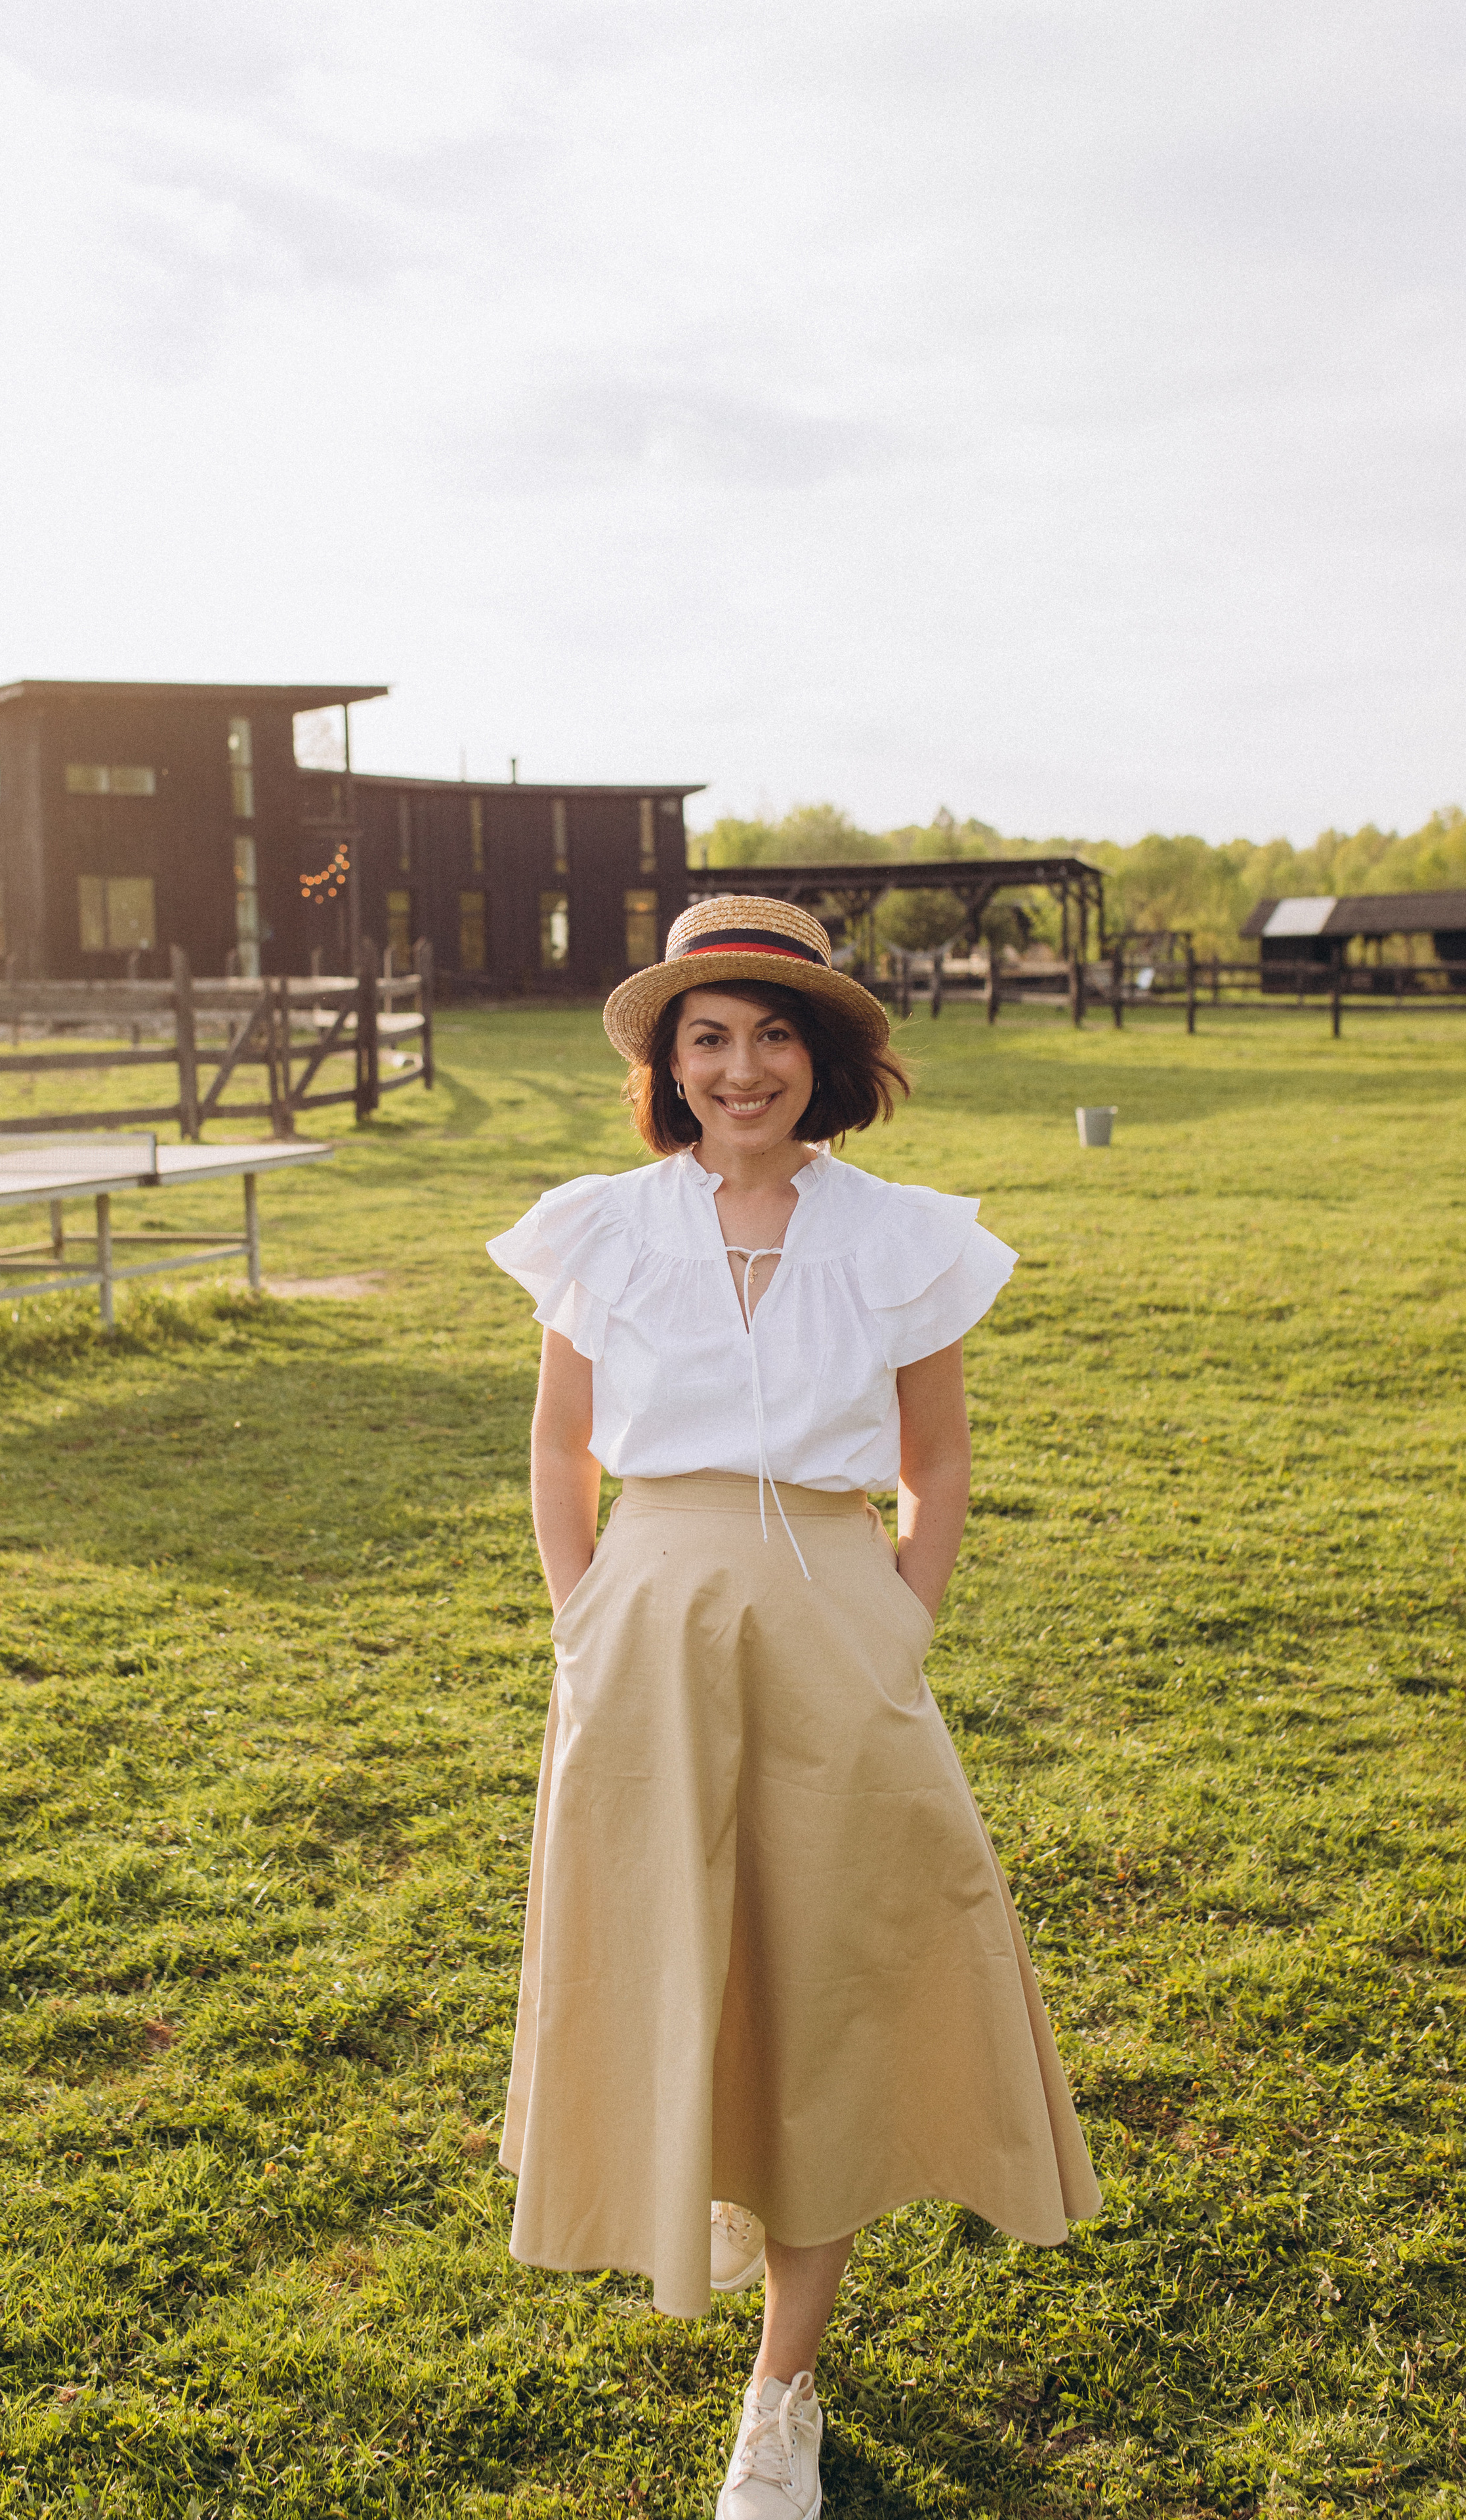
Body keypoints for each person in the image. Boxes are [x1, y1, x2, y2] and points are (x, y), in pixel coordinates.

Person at [487, 896, 1100, 2518]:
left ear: (819, 1057)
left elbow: (938, 1461)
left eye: (772, 1034)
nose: (740, 1066)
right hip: (646, 1621)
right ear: (667, 1063)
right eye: (708, 1035)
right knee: (681, 1959)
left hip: (839, 1614)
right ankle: (716, 2243)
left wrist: (897, 1624)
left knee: (832, 1976)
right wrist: (582, 1611)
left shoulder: (900, 1237)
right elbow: (562, 1450)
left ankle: (782, 2387)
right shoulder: (598, 1229)